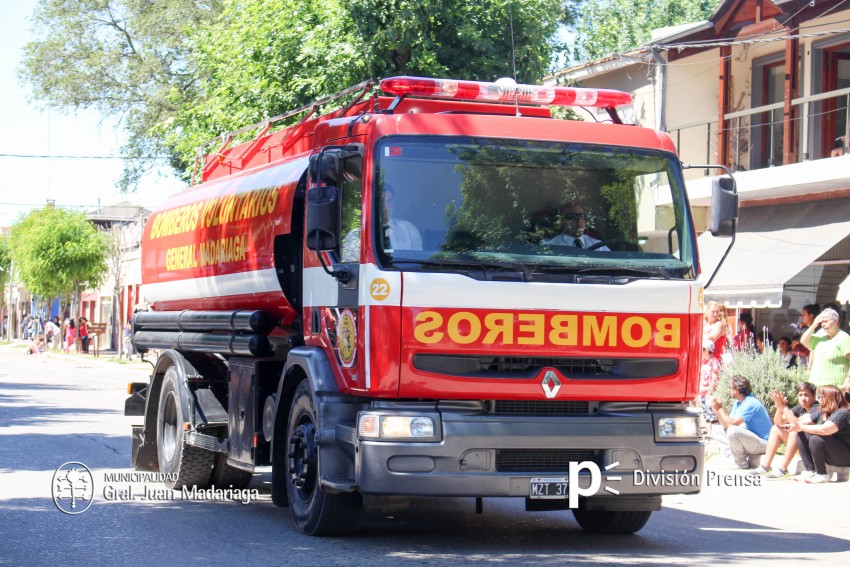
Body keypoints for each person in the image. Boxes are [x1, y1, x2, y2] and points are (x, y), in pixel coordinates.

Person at [751, 382, 818, 479]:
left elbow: (797, 424)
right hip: (801, 445)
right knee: (775, 429)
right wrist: (779, 407)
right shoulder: (799, 408)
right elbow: (778, 422)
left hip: (813, 448)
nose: (803, 398)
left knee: (794, 431)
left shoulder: (817, 408)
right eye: (800, 395)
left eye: (806, 395)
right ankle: (765, 467)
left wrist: (783, 406)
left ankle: (783, 469)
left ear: (814, 396)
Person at [789, 384, 850, 483]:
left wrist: (800, 427)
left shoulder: (843, 413)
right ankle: (810, 470)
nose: (819, 400)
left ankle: (822, 474)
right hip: (833, 452)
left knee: (815, 438)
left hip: (846, 455)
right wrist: (782, 409)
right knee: (801, 433)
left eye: (820, 397)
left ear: (828, 398)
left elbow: (825, 430)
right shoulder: (822, 411)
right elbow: (801, 423)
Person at [711, 375, 773, 469]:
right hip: (753, 441)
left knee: (733, 431)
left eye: (730, 387)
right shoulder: (739, 402)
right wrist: (717, 410)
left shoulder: (750, 402)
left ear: (736, 389)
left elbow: (732, 424)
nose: (729, 390)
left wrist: (720, 409)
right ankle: (734, 460)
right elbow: (726, 425)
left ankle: (741, 463)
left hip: (764, 443)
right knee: (716, 430)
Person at [800, 307, 850, 388]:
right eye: (822, 322)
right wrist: (814, 324)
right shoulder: (821, 336)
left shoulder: (843, 338)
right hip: (816, 385)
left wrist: (848, 379)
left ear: (836, 321)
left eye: (826, 321)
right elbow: (804, 341)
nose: (823, 324)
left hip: (834, 388)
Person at [542, 203, 609, 251]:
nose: (579, 220)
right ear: (563, 222)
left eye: (582, 216)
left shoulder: (598, 246)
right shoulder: (551, 247)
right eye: (573, 216)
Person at [698, 339, 722, 431]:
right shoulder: (704, 362)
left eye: (703, 349)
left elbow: (714, 377)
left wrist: (710, 392)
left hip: (709, 392)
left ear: (707, 350)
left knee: (712, 414)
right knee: (705, 413)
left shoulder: (714, 362)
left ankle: (713, 433)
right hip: (702, 391)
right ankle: (708, 432)